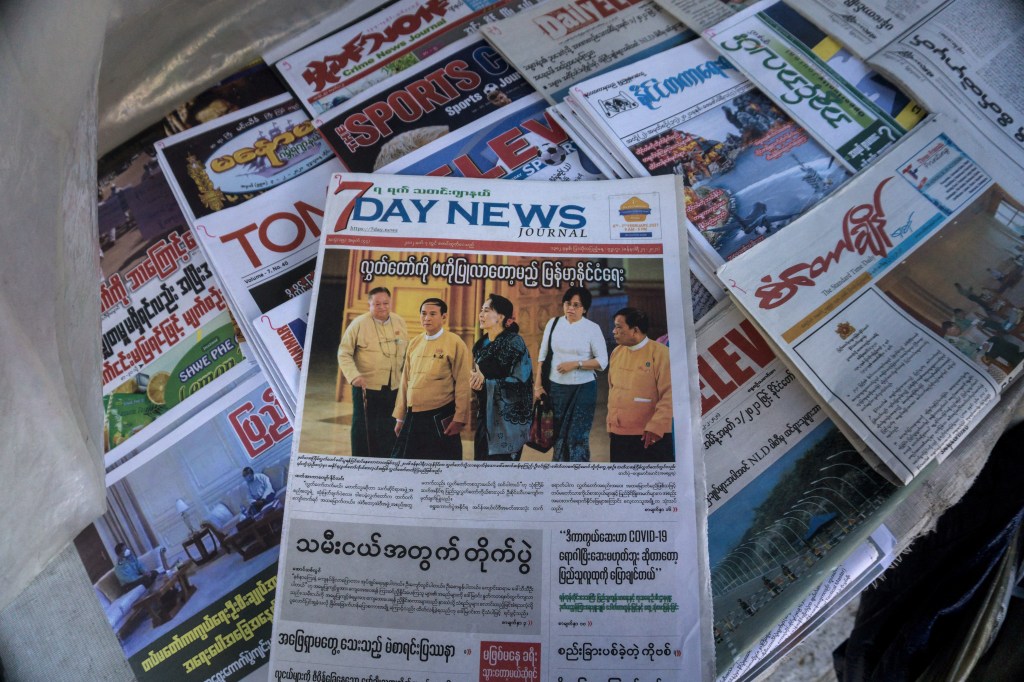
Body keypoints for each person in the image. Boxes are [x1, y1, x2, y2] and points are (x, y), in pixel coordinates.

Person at [392, 298, 472, 460]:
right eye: (423, 313)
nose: (427, 318)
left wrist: (459, 418)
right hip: (413, 416)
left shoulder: (455, 343)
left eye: (432, 314)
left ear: (444, 317)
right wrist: (400, 417)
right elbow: (405, 381)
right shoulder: (414, 343)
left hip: (440, 416)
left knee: (441, 464)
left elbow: (463, 383)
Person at [534, 286, 608, 462]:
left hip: (584, 388)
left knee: (577, 435)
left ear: (585, 309)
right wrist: (538, 386)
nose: (571, 308)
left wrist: (576, 364)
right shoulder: (553, 323)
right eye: (568, 303)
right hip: (557, 388)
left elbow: (602, 361)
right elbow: (542, 356)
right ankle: (559, 470)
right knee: (559, 435)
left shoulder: (592, 328)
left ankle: (578, 471)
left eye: (576, 305)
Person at [337, 287, 408, 456]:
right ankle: (361, 462)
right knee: (363, 428)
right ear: (369, 304)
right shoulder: (359, 323)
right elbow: (344, 353)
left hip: (393, 386)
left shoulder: (399, 321)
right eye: (377, 304)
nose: (382, 307)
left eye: (385, 303)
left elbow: (407, 353)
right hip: (365, 386)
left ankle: (385, 462)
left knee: (388, 428)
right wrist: (354, 376)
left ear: (390, 303)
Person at [606, 307, 674, 463]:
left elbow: (670, 394)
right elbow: (612, 390)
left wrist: (656, 427)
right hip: (619, 435)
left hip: (651, 435)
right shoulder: (616, 352)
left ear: (635, 330)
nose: (614, 331)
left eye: (618, 327)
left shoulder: (661, 353)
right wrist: (611, 425)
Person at [470, 294, 533, 461]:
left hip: (507, 421)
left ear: (501, 317)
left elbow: (522, 382)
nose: (481, 315)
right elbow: (480, 378)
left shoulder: (515, 343)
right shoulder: (480, 345)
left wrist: (487, 384)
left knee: (501, 468)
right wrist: (476, 384)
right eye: (481, 310)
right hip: (485, 415)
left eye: (486, 311)